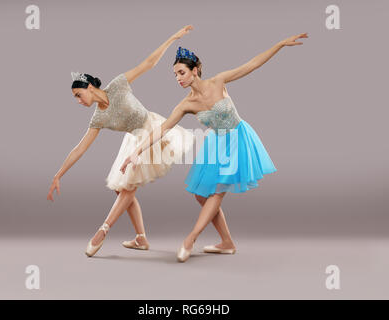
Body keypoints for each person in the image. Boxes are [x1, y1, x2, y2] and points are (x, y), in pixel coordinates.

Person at [120, 32, 308, 262]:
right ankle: (227, 242)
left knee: (217, 191)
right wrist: (136, 152)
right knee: (202, 195)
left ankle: (190, 239)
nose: (178, 78)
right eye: (175, 74)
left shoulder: (218, 81)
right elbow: (163, 128)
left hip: (238, 138)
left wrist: (279, 44)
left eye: (181, 72)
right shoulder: (186, 104)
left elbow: (252, 65)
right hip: (215, 144)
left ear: (194, 70)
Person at [47, 25, 195, 257]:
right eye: (75, 98)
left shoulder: (117, 85)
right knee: (122, 189)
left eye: (78, 95)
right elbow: (80, 148)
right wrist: (58, 174)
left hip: (153, 130)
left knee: (127, 188)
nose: (78, 101)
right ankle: (141, 238)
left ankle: (103, 230)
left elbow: (148, 63)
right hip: (134, 141)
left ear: (89, 86)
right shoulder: (98, 117)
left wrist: (172, 38)